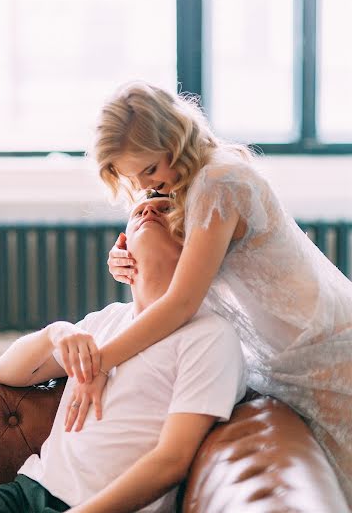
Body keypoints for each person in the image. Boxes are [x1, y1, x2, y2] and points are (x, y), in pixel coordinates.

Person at [74, 81, 350, 508]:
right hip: (283, 357)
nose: (148, 184)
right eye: (134, 177)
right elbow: (175, 252)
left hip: (322, 350)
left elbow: (182, 303)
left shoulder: (220, 180)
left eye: (149, 170)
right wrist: (125, 254)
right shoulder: (186, 178)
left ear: (174, 139)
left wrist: (100, 361)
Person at [0, 195, 246, 513]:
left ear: (201, 245)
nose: (149, 210)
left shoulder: (211, 336)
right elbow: (8, 374)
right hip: (24, 493)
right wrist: (56, 332)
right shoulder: (106, 320)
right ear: (122, 245)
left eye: (166, 209)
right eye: (140, 211)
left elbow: (172, 460)